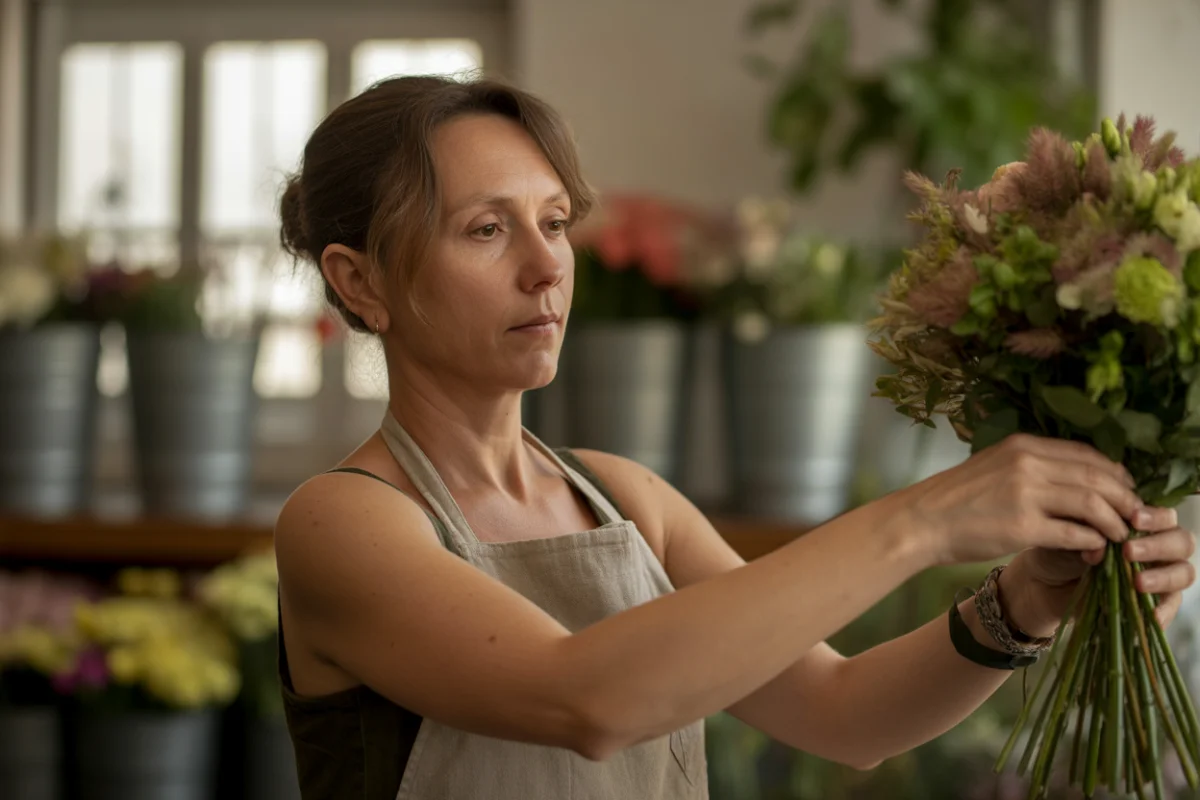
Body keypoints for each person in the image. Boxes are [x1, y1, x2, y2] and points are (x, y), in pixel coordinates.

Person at [273, 75, 1197, 800]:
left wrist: (1029, 597)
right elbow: (589, 700)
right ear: (359, 283)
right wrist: (925, 520)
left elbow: (846, 715)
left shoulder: (626, 498)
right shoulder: (344, 524)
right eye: (485, 229)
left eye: (554, 222)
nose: (547, 263)